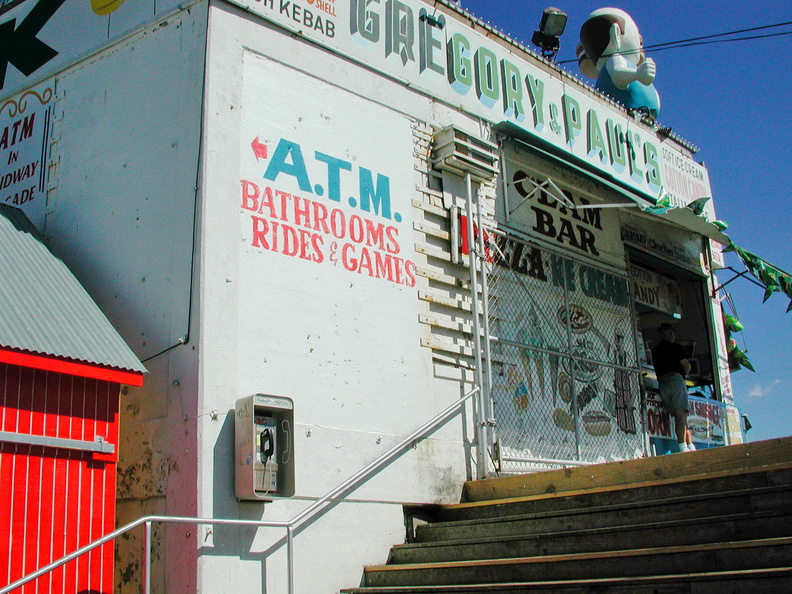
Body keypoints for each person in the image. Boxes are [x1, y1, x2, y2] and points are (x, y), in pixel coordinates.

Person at [652, 323, 694, 452]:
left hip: (662, 383)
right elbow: (686, 366)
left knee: (678, 415)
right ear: (671, 334)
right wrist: (683, 376)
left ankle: (690, 444)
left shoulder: (656, 350)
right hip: (676, 379)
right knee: (681, 414)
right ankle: (683, 446)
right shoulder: (676, 347)